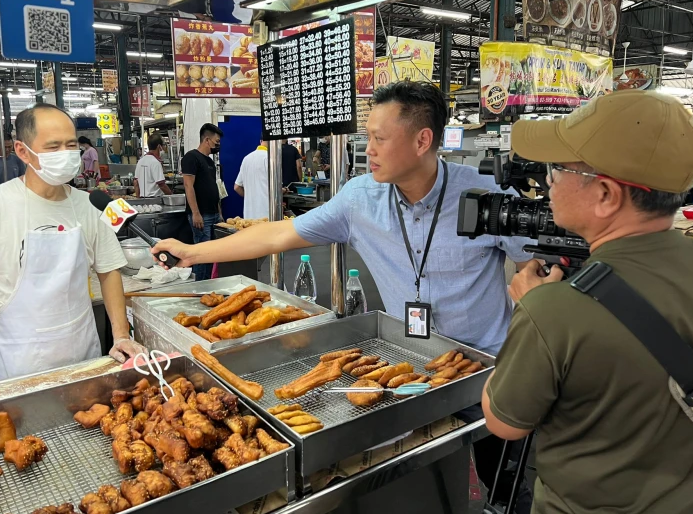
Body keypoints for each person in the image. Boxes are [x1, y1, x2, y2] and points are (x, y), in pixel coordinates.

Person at [157, 82, 529, 352]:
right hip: (415, 357)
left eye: (379, 138)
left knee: (495, 456)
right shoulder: (360, 199)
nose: (369, 150)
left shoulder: (488, 194)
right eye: (367, 137)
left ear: (422, 141)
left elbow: (536, 265)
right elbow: (277, 235)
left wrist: (532, 287)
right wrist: (192, 253)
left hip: (489, 360)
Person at [484, 90, 693, 514]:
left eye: (558, 170)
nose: (548, 183)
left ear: (605, 194)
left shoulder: (554, 310)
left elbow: (504, 422)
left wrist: (530, 312)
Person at [0, 103, 145, 407]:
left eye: (71, 145)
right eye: (53, 147)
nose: (66, 153)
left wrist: (120, 335)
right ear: (23, 152)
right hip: (21, 360)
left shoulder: (89, 204)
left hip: (83, 354)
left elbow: (109, 269)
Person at [181, 123, 224, 281]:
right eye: (216, 141)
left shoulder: (210, 162)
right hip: (202, 216)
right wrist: (196, 213)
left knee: (211, 255)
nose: (218, 145)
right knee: (201, 255)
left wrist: (219, 213)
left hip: (213, 215)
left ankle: (207, 286)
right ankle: (199, 287)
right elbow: (188, 185)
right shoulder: (191, 157)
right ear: (207, 140)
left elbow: (214, 188)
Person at [234, 140, 269, 220]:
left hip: (249, 216)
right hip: (266, 215)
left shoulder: (246, 158)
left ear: (261, 141)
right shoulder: (271, 159)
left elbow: (236, 187)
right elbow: (275, 189)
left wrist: (251, 197)